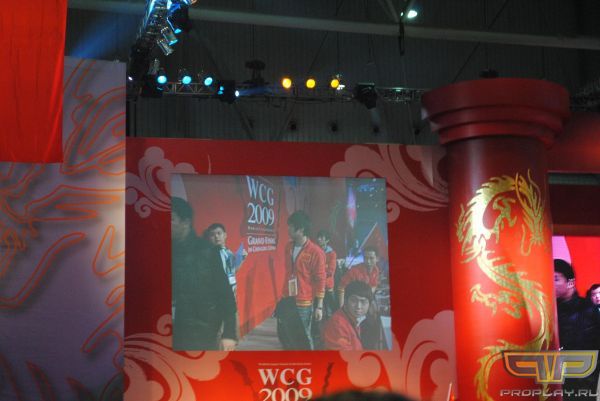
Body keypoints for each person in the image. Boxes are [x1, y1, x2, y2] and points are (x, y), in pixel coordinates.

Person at [171, 197, 238, 351]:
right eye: (213, 234)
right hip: (179, 328)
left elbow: (225, 292)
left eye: (172, 219)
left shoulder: (208, 251)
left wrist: (229, 334)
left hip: (203, 330)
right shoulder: (169, 251)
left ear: (185, 222)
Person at [276, 210, 326, 350]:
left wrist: (319, 306)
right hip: (288, 298)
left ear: (301, 229)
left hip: (304, 302)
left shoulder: (316, 252)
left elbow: (321, 280)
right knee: (287, 334)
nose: (288, 229)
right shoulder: (288, 247)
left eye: (291, 226)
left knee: (303, 336)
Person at [554, 259, 599, 400]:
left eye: (556, 279)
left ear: (570, 283)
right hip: (557, 376)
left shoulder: (588, 309)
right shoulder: (550, 308)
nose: (551, 283)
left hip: (583, 379)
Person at [322, 280, 375, 350]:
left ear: (369, 304)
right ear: (345, 301)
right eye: (354, 301)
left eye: (363, 302)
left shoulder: (353, 317)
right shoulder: (338, 325)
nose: (358, 306)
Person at [204, 223, 247, 297]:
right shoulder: (209, 255)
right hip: (220, 294)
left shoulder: (228, 251)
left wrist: (241, 259)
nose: (216, 236)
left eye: (219, 233)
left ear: (225, 235)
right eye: (212, 235)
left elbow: (232, 270)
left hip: (232, 289)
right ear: (209, 238)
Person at [316, 229, 338, 316]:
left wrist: (318, 273)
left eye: (321, 238)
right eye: (318, 237)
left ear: (327, 240)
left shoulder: (332, 254)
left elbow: (330, 271)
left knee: (331, 310)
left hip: (327, 286)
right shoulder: (314, 252)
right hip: (316, 286)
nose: (319, 239)